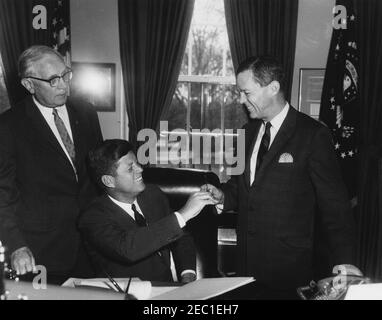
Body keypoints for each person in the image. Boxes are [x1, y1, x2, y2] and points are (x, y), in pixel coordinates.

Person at [201, 56, 361, 299]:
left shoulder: (313, 136)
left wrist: (346, 262)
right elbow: (240, 187)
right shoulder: (247, 132)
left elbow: (336, 208)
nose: (241, 100)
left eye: (246, 92)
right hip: (245, 271)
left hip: (290, 274)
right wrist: (223, 195)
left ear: (273, 88)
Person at [0, 45, 103, 284]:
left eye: (66, 75)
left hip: (92, 246)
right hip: (42, 250)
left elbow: (99, 171)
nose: (64, 85)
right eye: (53, 80)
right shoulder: (8, 127)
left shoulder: (86, 112)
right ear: (28, 84)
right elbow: (2, 194)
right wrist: (16, 245)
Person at [78, 139, 217, 283]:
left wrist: (187, 275)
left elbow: (180, 236)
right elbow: (128, 249)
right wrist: (183, 214)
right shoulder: (92, 217)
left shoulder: (152, 195)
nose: (140, 169)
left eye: (137, 163)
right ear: (109, 181)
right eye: (131, 168)